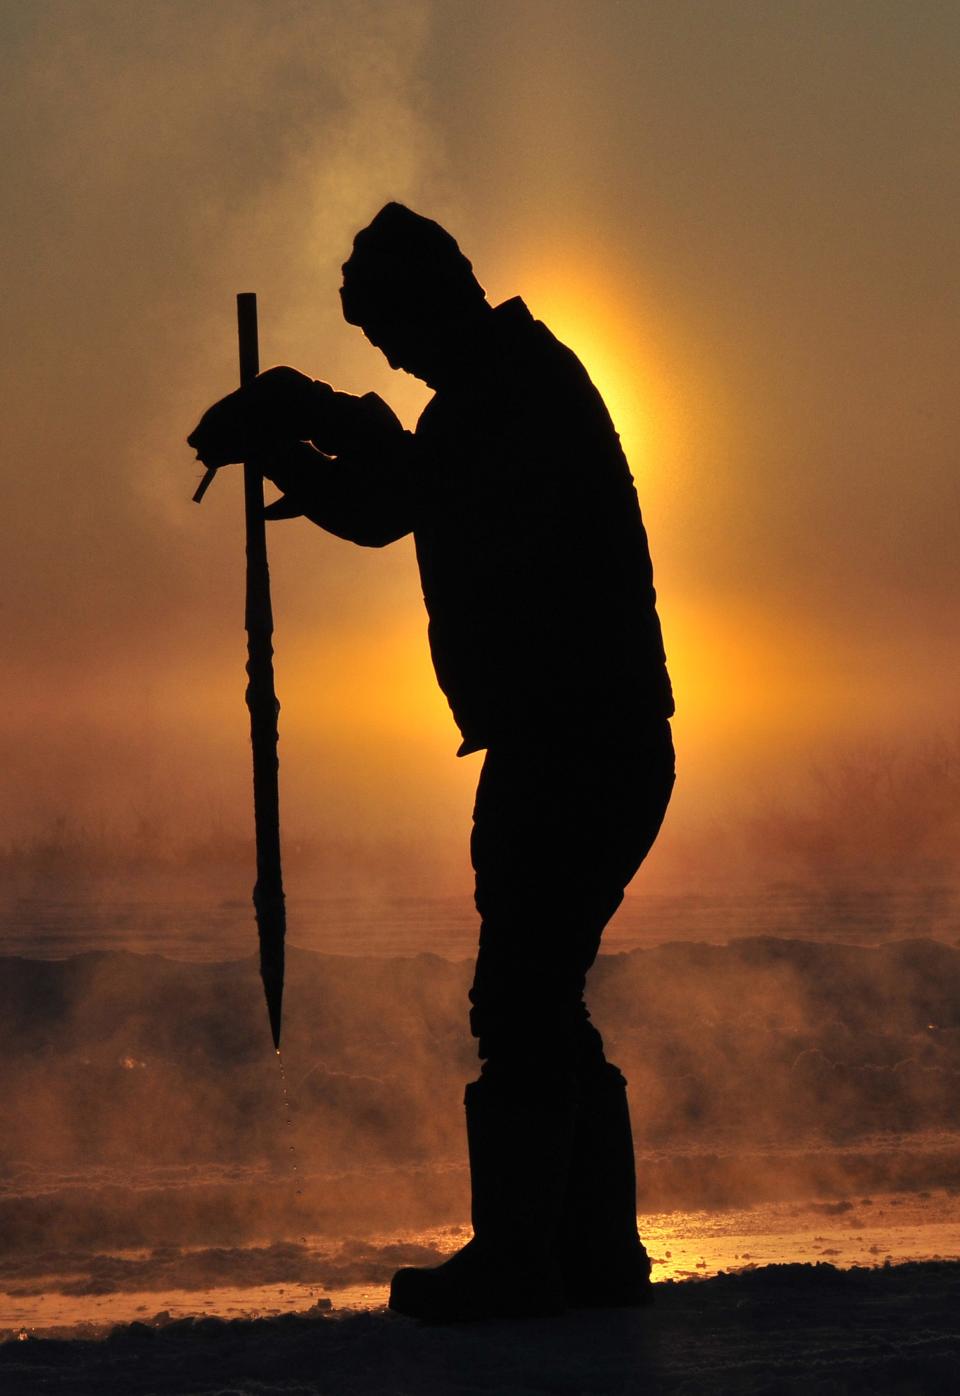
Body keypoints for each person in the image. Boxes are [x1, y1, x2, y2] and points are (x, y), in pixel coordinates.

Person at [188, 203, 675, 1322]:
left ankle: (524, 1258)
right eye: (379, 347)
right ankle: (590, 1252)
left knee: (521, 995)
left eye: (394, 334)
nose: (396, 358)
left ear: (436, 295)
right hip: (595, 737)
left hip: (575, 742)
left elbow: (394, 499)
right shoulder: (511, 380)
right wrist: (311, 421)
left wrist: (293, 435)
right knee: (544, 993)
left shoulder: (506, 397)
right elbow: (412, 470)